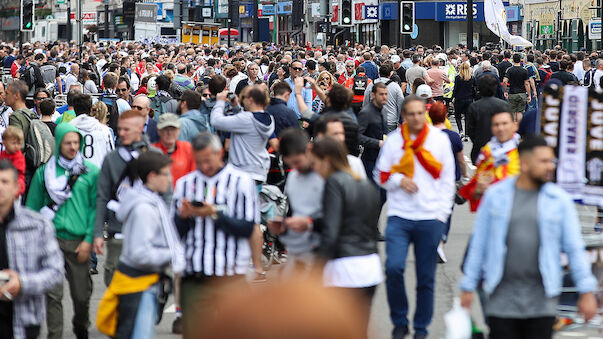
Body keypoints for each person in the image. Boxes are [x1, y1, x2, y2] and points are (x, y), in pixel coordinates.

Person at [460, 136, 598, 339]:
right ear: (524, 164)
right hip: (501, 300)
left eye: (551, 161)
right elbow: (480, 243)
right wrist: (468, 286)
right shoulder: (496, 196)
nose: (550, 167)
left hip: (542, 302)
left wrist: (586, 291)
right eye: (543, 161)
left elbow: (574, 248)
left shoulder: (558, 201)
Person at [375, 95, 455, 339]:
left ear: (426, 113)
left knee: (425, 277)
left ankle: (421, 328)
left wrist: (441, 216)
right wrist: (399, 180)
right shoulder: (394, 141)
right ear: (404, 116)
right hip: (400, 216)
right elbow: (380, 174)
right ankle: (400, 321)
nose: (416, 118)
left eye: (420, 113)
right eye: (411, 114)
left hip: (430, 218)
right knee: (394, 268)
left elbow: (448, 181)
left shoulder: (439, 140)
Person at [172, 132, 261, 337]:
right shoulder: (185, 183)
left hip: (230, 276)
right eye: (199, 161)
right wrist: (183, 216)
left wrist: (214, 214)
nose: (204, 166)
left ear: (219, 153)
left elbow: (247, 228)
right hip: (195, 275)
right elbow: (176, 233)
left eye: (208, 160)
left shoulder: (241, 181)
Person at [97, 152, 185, 338]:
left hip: (141, 283)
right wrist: (173, 254)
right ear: (152, 176)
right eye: (166, 174)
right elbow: (140, 253)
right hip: (138, 285)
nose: (170, 178)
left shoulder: (149, 202)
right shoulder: (144, 209)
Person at [26, 123, 100, 339]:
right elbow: (32, 210)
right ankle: (54, 335)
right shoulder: (43, 174)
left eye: (76, 142)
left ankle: (81, 326)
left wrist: (88, 240)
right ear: (59, 143)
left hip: (79, 242)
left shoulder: (90, 172)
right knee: (53, 296)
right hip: (51, 242)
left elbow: (96, 208)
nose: (73, 147)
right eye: (68, 143)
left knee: (81, 295)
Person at [310, 136, 382, 338]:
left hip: (344, 269)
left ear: (326, 161)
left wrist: (315, 270)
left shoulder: (334, 183)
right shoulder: (366, 185)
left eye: (315, 163)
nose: (314, 169)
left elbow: (332, 233)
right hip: (370, 266)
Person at [93, 110, 162, 287]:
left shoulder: (154, 156)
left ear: (140, 129)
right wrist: (98, 233)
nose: (121, 133)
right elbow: (102, 197)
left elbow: (165, 196)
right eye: (120, 129)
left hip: (149, 234)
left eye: (126, 129)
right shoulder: (112, 159)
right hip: (119, 233)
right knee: (115, 286)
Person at [0, 160, 64, 339]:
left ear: (17, 187)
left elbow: (55, 271)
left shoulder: (37, 225)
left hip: (24, 320)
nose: (0, 187)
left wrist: (22, 283)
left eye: (5, 182)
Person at [271, 128, 323, 276]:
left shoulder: (326, 176)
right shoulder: (293, 177)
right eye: (291, 164)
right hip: (299, 255)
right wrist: (284, 227)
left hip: (323, 256)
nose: (295, 168)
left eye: (297, 162)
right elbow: (296, 214)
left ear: (309, 149)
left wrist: (309, 223)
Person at [428, 102, 467, 262]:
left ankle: (431, 240)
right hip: (450, 179)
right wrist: (464, 176)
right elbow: (461, 160)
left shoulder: (427, 136)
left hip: (431, 179)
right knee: (446, 212)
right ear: (445, 116)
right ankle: (441, 241)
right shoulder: (453, 136)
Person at [460, 110, 521, 212]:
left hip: (517, 211)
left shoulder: (524, 150)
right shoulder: (486, 152)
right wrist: (478, 190)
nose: (500, 128)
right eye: (496, 125)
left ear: (515, 126)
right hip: (492, 211)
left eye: (505, 124)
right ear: (492, 128)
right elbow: (476, 187)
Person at [466, 75, 513, 164]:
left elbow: (470, 129)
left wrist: (477, 141)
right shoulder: (504, 105)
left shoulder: (474, 107)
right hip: (501, 148)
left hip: (480, 148)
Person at [69, 93, 115, 168]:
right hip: (98, 172)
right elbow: (111, 156)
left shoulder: (68, 129)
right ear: (90, 109)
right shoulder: (104, 130)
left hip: (76, 174)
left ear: (74, 109)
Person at [152, 113, 196, 185]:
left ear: (178, 131)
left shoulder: (188, 149)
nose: (169, 133)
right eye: (165, 129)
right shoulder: (151, 151)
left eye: (173, 129)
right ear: (159, 131)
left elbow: (194, 176)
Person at [357, 82, 387, 183]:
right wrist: (377, 143)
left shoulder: (383, 110)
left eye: (386, 94)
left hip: (382, 159)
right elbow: (357, 136)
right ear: (373, 95)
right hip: (370, 160)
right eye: (381, 94)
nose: (384, 97)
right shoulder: (366, 113)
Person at [362, 63, 405, 132]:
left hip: (373, 120)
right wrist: (399, 119)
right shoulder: (395, 86)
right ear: (390, 74)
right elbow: (401, 103)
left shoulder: (371, 85)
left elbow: (365, 101)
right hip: (391, 120)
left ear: (379, 73)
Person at [503, 53, 531, 122]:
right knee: (520, 112)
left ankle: (512, 126)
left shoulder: (509, 70)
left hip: (512, 93)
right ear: (520, 60)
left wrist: (505, 91)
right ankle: (519, 127)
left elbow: (505, 81)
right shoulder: (524, 70)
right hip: (522, 93)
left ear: (513, 60)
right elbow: (527, 83)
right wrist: (529, 95)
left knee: (512, 112)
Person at [452, 62, 475, 139]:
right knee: (467, 117)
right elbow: (473, 89)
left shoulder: (458, 78)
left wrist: (452, 98)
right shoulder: (472, 78)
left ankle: (460, 131)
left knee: (458, 116)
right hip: (469, 99)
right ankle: (467, 134)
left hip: (459, 99)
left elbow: (455, 89)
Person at [0, 127, 25, 196]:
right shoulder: (3, 154)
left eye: (19, 143)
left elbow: (16, 173)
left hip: (16, 184)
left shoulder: (19, 157)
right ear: (4, 143)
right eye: (13, 143)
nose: (17, 146)